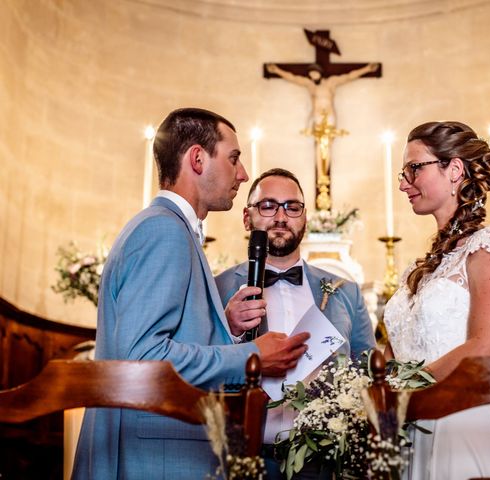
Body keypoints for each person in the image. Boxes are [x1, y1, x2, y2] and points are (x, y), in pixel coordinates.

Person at [72, 108, 310, 480]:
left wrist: (224, 327)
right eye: (234, 159)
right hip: (156, 456)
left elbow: (164, 339)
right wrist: (251, 355)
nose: (243, 173)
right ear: (197, 159)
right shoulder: (164, 232)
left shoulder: (165, 228)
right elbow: (144, 359)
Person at [383, 121, 490, 479]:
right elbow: (395, 351)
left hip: (461, 423)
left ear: (454, 170)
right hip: (410, 430)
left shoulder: (487, 249)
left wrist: (403, 393)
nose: (403, 183)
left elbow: (487, 348)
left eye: (413, 168)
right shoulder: (417, 270)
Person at [216, 168, 376, 479]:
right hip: (243, 455)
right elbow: (202, 369)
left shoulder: (345, 291)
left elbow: (367, 370)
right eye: (267, 206)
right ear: (246, 218)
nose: (281, 216)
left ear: (304, 218)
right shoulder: (216, 288)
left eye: (292, 207)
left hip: (324, 461)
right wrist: (231, 331)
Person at [266, 62, 380, 130]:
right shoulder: (310, 85)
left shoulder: (331, 82)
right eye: (311, 74)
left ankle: (325, 170)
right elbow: (293, 78)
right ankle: (321, 170)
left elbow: (349, 76)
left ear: (320, 72)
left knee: (327, 146)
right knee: (319, 147)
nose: (312, 76)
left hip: (329, 116)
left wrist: (367, 69)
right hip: (316, 116)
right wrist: (277, 70)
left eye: (314, 73)